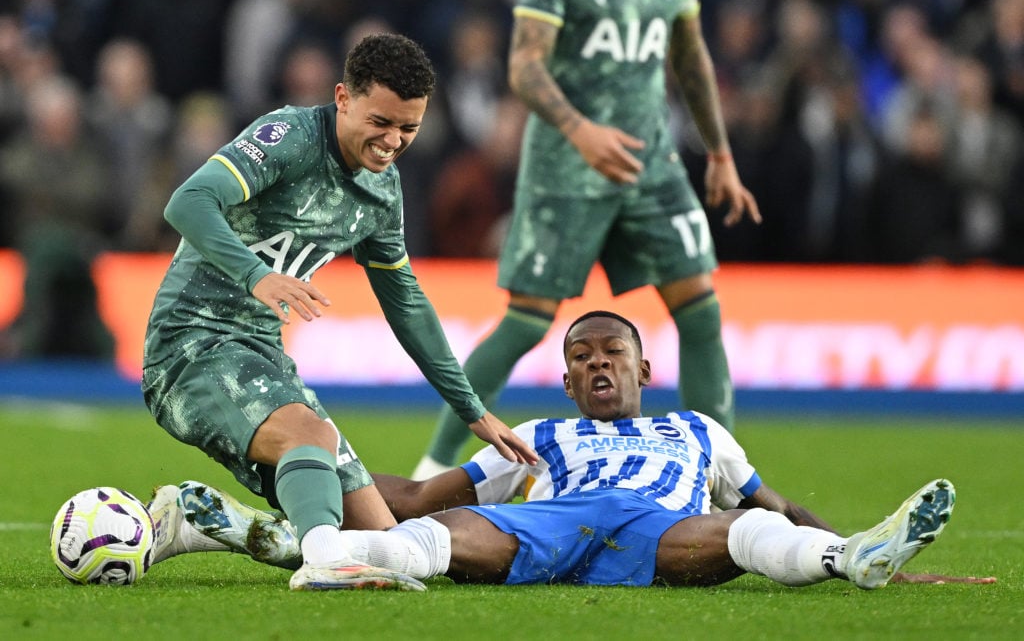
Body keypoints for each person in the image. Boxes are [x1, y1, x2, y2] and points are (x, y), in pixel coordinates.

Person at [151, 311, 995, 590]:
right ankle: (289, 542)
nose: (597, 364)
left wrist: (845, 539)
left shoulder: (702, 431)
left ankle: (857, 560)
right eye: (581, 357)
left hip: (657, 531)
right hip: (550, 523)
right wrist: (326, 452)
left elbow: (777, 506)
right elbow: (424, 492)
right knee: (432, 535)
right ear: (564, 381)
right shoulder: (541, 437)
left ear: (642, 368)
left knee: (740, 533)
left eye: (611, 354)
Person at [140, 33, 537, 593]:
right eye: (381, 122)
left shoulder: (383, 190)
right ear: (343, 97)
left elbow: (405, 302)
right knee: (311, 435)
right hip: (191, 345)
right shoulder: (288, 137)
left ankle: (207, 524)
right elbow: (188, 202)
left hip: (262, 355)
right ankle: (323, 564)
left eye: (409, 128)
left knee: (386, 542)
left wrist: (472, 410)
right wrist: (257, 276)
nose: (392, 141)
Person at [412, 0, 761, 479]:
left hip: (648, 161)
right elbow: (525, 67)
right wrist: (581, 131)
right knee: (526, 321)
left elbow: (689, 55)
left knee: (700, 310)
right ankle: (433, 465)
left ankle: (721, 475)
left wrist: (720, 153)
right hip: (566, 166)